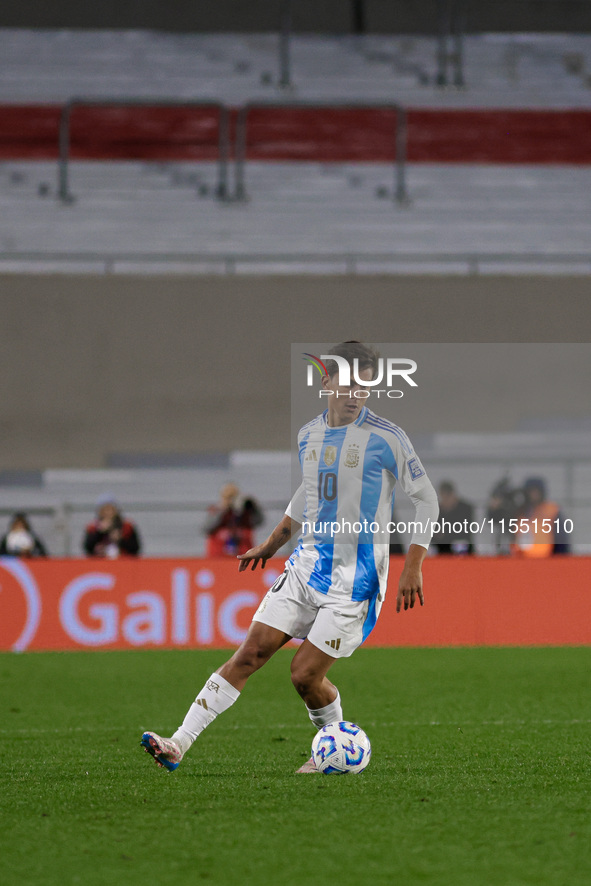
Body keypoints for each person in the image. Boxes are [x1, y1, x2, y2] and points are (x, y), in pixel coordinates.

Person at [141, 341, 439, 774]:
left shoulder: (387, 438)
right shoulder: (308, 435)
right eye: (348, 382)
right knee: (248, 655)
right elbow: (310, 492)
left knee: (304, 676)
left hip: (355, 582)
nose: (357, 392)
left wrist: (413, 565)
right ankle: (178, 744)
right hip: (306, 567)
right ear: (327, 382)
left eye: (366, 384)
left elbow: (426, 499)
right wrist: (273, 541)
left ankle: (331, 753)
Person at [511, 476, 570, 557]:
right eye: (530, 491)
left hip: (546, 560)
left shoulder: (551, 510)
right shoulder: (519, 512)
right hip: (522, 560)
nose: (534, 495)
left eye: (536, 491)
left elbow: (561, 539)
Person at [204, 483, 264, 557]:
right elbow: (206, 528)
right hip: (218, 557)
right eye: (228, 497)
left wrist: (253, 507)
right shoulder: (216, 511)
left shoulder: (244, 513)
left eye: (234, 497)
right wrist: (222, 510)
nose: (231, 500)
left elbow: (259, 521)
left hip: (243, 557)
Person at [431, 480, 475, 555]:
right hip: (442, 547)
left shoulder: (465, 509)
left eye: (447, 498)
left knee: (460, 545)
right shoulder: (437, 510)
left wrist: (444, 533)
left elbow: (464, 531)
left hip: (460, 544)